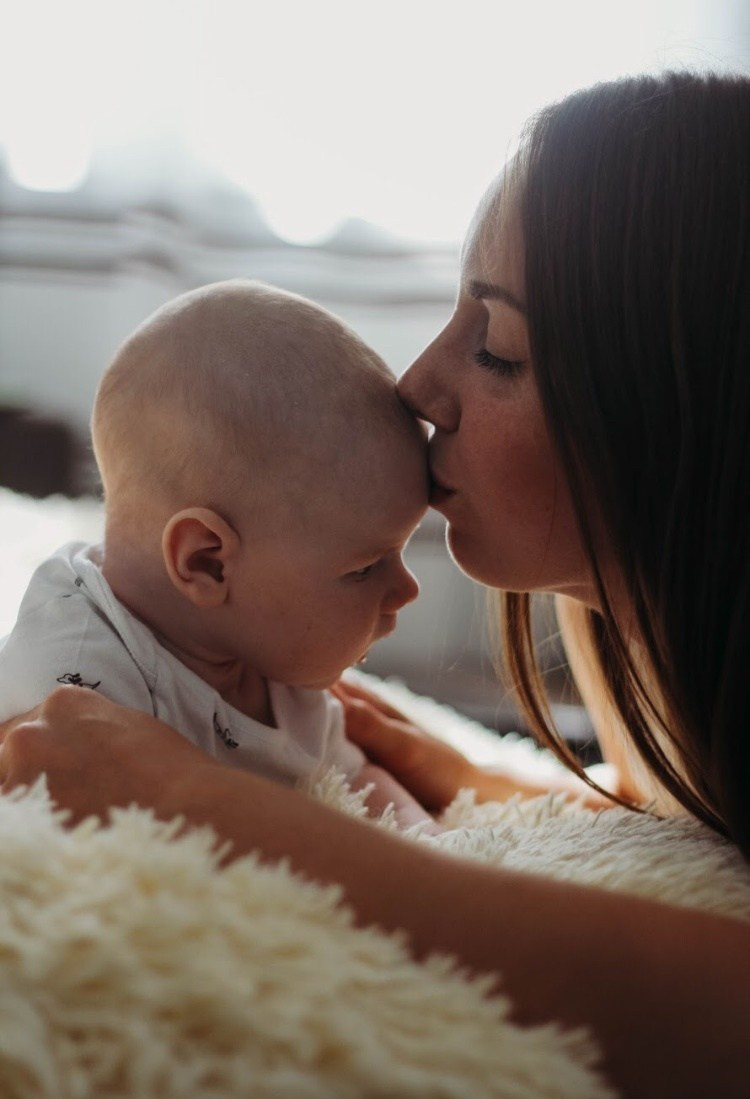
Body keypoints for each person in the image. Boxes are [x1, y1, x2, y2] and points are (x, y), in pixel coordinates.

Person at [1, 69, 749, 1098]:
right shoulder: (667, 673)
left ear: (682, 411)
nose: (419, 383)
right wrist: (491, 784)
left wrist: (205, 804)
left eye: (497, 348)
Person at [0, 280, 438, 827]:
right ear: (206, 562)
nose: (407, 590)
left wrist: (425, 838)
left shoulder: (272, 654)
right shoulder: (79, 681)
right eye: (366, 567)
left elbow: (355, 777)